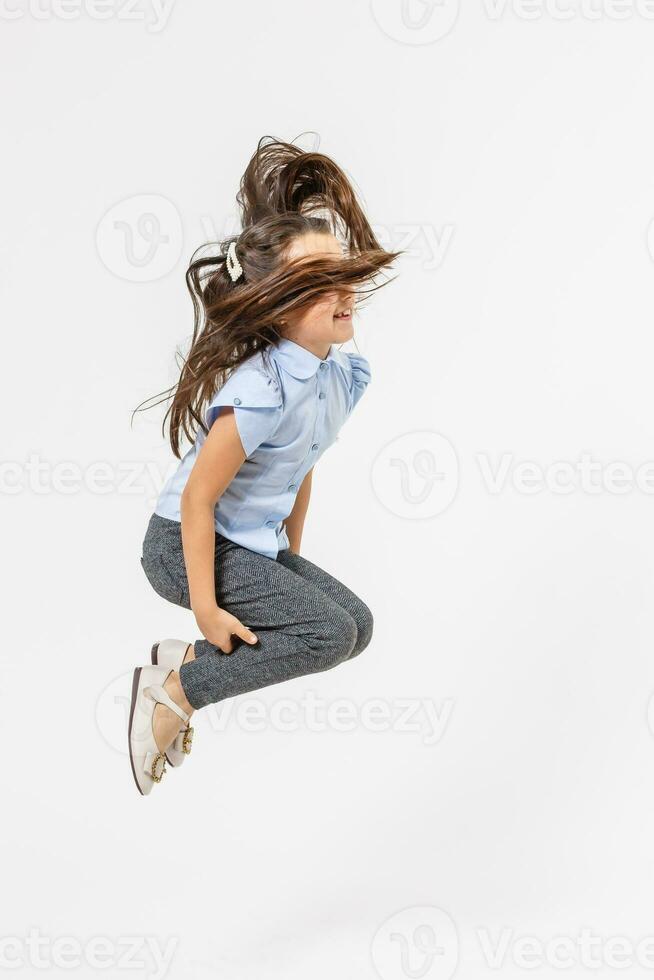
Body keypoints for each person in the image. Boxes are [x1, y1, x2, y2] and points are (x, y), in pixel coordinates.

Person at [128, 137, 398, 795]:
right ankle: (176, 690)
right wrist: (203, 608)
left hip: (245, 544)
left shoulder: (337, 376)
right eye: (315, 283)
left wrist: (289, 559)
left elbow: (302, 465)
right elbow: (197, 500)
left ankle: (183, 668)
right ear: (276, 305)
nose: (342, 291)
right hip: (182, 546)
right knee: (324, 633)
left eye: (342, 271)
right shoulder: (261, 389)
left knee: (353, 627)